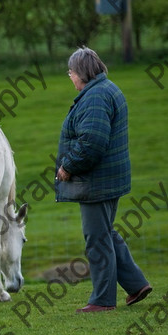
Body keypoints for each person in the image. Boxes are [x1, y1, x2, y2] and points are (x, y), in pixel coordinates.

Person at [55, 47, 152, 313]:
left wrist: (67, 167)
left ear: (82, 73)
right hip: (109, 179)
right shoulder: (107, 89)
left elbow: (92, 143)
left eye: (71, 72)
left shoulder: (95, 97)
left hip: (96, 183)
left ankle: (102, 300)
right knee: (105, 233)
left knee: (96, 239)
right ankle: (136, 284)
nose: (70, 77)